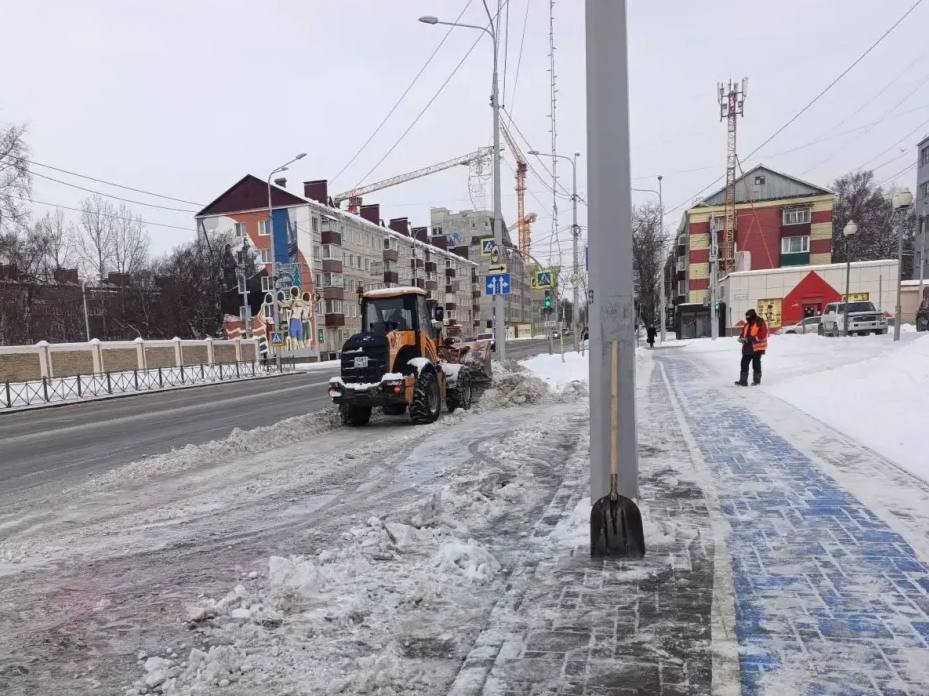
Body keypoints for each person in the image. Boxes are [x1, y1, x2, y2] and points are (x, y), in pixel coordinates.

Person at [736, 309, 768, 386]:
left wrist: (751, 338)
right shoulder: (747, 324)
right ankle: (743, 381)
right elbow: (743, 333)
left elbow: (763, 333)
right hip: (747, 347)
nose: (747, 318)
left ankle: (756, 381)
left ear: (753, 315)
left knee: (756, 363)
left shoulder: (759, 322)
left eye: (748, 316)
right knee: (744, 363)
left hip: (757, 347)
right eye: (746, 317)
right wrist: (741, 338)